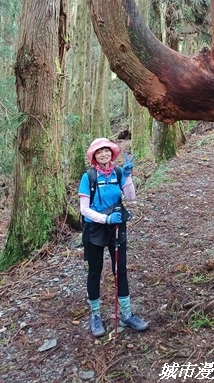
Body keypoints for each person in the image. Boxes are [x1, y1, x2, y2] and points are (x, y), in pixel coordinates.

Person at [79, 137, 148, 337]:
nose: (104, 154)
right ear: (94, 156)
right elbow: (84, 210)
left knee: (121, 270)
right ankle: (96, 316)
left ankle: (126, 314)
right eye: (99, 152)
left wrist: (127, 176)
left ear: (112, 153)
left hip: (117, 226)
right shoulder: (89, 177)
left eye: (107, 151)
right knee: (95, 272)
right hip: (95, 230)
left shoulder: (117, 172)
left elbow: (131, 197)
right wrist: (105, 219)